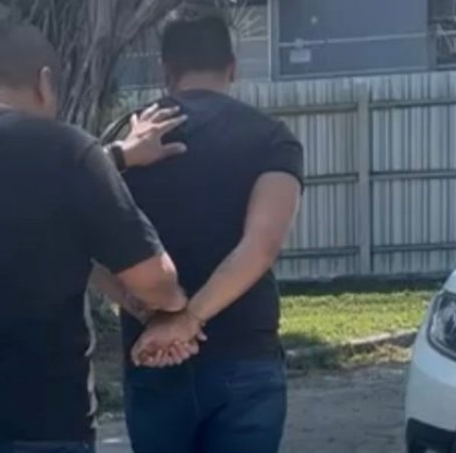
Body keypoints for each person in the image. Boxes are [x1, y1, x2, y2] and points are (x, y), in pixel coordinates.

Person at [0, 24, 191, 453]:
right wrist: (178, 309)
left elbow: (0, 185)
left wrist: (117, 156)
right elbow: (152, 279)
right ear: (45, 82)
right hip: (46, 416)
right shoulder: (66, 150)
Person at [94, 6, 304, 453]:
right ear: (233, 67)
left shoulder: (126, 139)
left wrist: (152, 315)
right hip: (245, 355)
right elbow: (262, 245)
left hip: (153, 354)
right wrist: (190, 320)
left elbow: (88, 247)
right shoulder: (270, 137)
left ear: (165, 70)